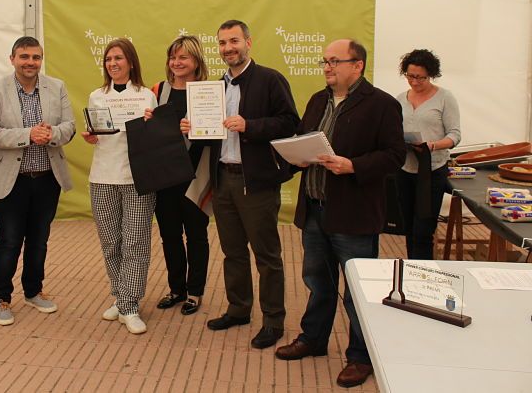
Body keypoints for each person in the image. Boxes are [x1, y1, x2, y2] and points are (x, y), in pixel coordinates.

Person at [275, 39, 405, 388]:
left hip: (354, 213)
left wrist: (354, 166)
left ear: (357, 65)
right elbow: (305, 138)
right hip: (315, 208)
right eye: (324, 61)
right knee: (318, 282)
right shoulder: (318, 100)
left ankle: (361, 356)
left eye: (335, 61)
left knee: (359, 289)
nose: (327, 67)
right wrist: (297, 155)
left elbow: (395, 155)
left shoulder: (382, 105)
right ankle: (314, 339)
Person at [180, 20, 299, 349]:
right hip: (223, 180)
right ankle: (239, 309)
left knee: (267, 255)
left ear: (248, 42)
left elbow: (290, 122)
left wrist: (250, 126)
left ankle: (273, 320)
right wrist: (192, 128)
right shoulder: (214, 87)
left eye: (234, 41)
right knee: (232, 252)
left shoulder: (270, 79)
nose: (228, 48)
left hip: (256, 181)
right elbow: (210, 136)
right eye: (222, 43)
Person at [0, 36, 76, 326]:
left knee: (39, 240)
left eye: (35, 57)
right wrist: (28, 135)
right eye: (24, 57)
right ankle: (1, 297)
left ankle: (33, 291)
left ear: (41, 59)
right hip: (12, 181)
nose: (30, 63)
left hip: (47, 179)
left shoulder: (56, 87)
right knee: (9, 241)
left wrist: (53, 135)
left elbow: (69, 126)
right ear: (12, 59)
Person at [82, 38, 157, 334]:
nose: (113, 63)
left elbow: (155, 138)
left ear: (131, 62)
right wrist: (91, 136)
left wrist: (153, 126)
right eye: (108, 59)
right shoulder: (97, 96)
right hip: (103, 177)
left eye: (119, 58)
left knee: (136, 243)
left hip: (138, 179)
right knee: (111, 243)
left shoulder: (146, 97)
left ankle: (129, 305)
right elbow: (97, 132)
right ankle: (121, 295)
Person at [148, 36, 210, 316]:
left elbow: (216, 134)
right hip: (165, 176)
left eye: (183, 57)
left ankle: (195, 292)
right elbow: (147, 137)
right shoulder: (158, 89)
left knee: (196, 236)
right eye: (173, 57)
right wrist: (148, 123)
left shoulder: (209, 91)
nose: (177, 62)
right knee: (169, 235)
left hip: (197, 175)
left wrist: (195, 129)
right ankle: (176, 289)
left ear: (196, 60)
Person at [395, 49, 460, 260]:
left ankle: (423, 276)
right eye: (410, 76)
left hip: (431, 171)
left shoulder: (444, 98)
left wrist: (433, 145)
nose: (414, 82)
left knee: (423, 230)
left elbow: (455, 135)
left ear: (431, 74)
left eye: (420, 77)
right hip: (405, 168)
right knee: (408, 228)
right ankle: (411, 270)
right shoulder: (400, 99)